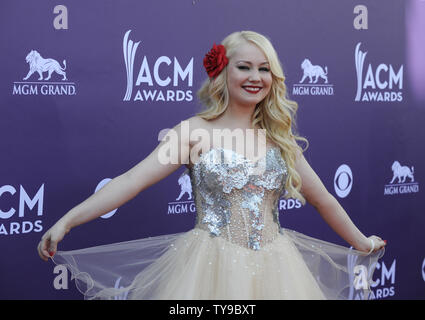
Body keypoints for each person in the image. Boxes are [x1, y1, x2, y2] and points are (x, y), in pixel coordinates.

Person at [37, 30, 386, 300]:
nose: (255, 77)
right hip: (209, 268)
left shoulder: (280, 140)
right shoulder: (193, 133)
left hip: (279, 269)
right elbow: (130, 181)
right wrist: (67, 221)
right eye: (244, 66)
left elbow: (324, 199)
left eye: (264, 69)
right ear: (222, 71)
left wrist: (363, 243)